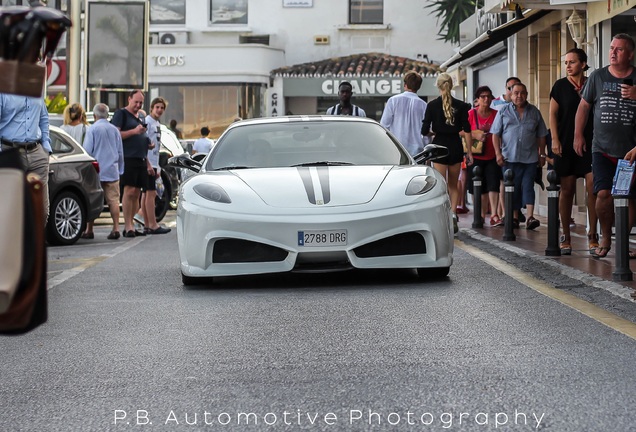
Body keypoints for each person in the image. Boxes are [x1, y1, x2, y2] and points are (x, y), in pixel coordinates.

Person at [575, 33, 636, 258]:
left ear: (630, 55)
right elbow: (584, 107)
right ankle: (606, 236)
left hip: (630, 151)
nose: (613, 52)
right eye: (611, 48)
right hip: (601, 148)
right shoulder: (598, 77)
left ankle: (621, 240)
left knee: (629, 197)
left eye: (619, 49)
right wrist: (578, 135)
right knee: (603, 194)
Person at [549, 48, 598, 255]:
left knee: (593, 189)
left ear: (583, 64)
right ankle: (566, 236)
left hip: (591, 144)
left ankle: (593, 235)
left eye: (572, 62)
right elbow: (552, 114)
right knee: (566, 191)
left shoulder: (593, 84)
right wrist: (555, 139)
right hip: (566, 143)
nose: (568, 66)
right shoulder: (560, 86)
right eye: (566, 62)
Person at [491, 82, 548, 230]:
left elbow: (542, 135)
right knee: (513, 188)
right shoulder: (503, 111)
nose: (519, 96)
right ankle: (515, 217)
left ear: (526, 94)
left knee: (528, 186)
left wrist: (542, 154)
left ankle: (530, 217)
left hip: (530, 158)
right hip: (509, 157)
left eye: (522, 93)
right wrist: (498, 153)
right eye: (516, 93)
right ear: (510, 94)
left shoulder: (534, 112)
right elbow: (495, 135)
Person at [421, 72, 472, 234]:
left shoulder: (432, 106)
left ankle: (443, 217)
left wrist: (434, 134)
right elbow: (467, 129)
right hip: (456, 146)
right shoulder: (462, 106)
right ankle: (453, 215)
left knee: (441, 185)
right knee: (453, 185)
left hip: (439, 147)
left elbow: (424, 130)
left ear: (438, 85)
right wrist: (469, 151)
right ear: (451, 85)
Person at [0, 94, 51, 221]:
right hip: (11, 152)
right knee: (11, 210)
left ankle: (34, 241)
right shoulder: (4, 92)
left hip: (37, 153)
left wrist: (46, 146)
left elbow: (43, 118)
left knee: (42, 211)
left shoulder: (36, 92)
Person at [110, 90, 151, 238]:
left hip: (140, 158)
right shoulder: (121, 114)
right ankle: (127, 226)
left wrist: (147, 144)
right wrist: (135, 131)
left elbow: (141, 136)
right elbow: (116, 135)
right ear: (129, 99)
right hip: (128, 157)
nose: (138, 105)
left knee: (137, 193)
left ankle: (133, 224)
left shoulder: (139, 116)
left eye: (141, 103)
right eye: (136, 102)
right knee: (129, 191)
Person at [81, 104, 124, 240]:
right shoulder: (114, 130)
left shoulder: (92, 129)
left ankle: (89, 230)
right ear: (107, 115)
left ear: (94, 116)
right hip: (112, 170)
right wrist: (121, 169)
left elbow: (87, 151)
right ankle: (116, 228)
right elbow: (120, 151)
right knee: (113, 201)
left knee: (91, 199)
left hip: (96, 171)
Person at [467, 86, 503, 226]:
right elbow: (461, 131)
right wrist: (475, 134)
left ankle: (494, 214)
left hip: (492, 154)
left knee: (493, 185)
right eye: (483, 97)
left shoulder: (496, 114)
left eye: (488, 96)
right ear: (477, 99)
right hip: (476, 155)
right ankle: (480, 215)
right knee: (478, 187)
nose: (486, 99)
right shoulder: (471, 114)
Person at [140, 98, 171, 235]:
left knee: (147, 193)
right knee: (150, 193)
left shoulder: (156, 123)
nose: (159, 110)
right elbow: (143, 144)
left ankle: (147, 223)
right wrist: (149, 163)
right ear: (152, 107)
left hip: (154, 162)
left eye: (162, 108)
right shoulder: (147, 122)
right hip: (148, 163)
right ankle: (152, 224)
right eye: (157, 107)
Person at [380, 71, 427, 156]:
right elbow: (426, 132)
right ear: (419, 86)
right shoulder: (424, 105)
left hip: (397, 149)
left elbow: (384, 125)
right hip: (418, 152)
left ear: (405, 84)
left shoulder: (393, 100)